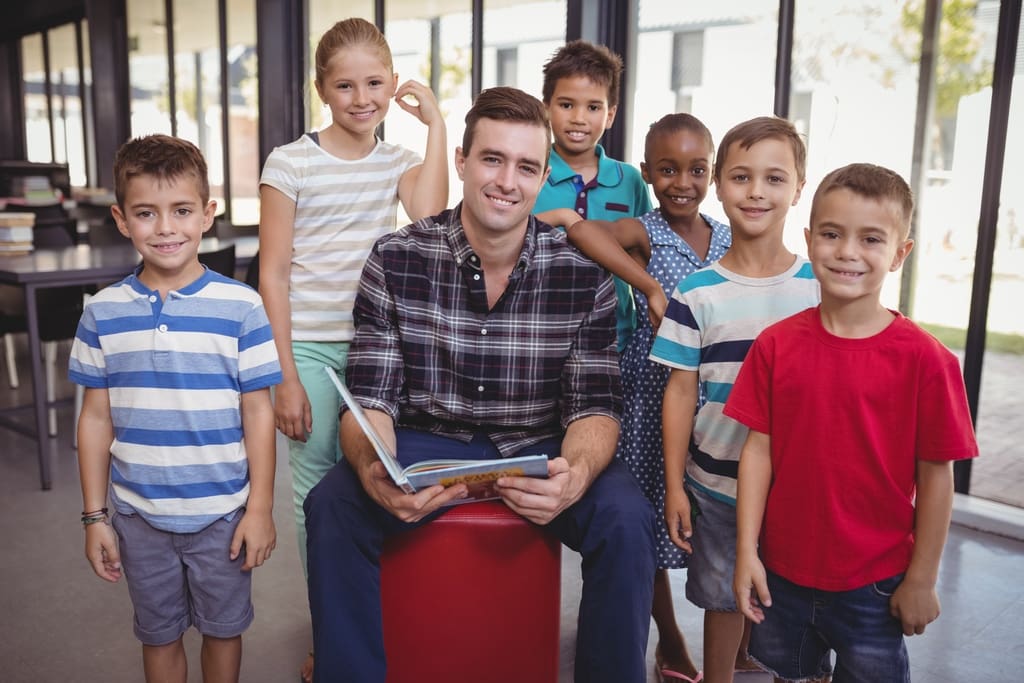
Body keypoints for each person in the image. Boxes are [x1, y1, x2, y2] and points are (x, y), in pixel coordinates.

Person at [303, 86, 657, 683]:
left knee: (625, 516)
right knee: (333, 505)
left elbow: (595, 408)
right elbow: (372, 398)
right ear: (462, 159)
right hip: (425, 443)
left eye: (525, 167)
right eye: (492, 159)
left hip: (539, 445)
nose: (506, 182)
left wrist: (573, 477)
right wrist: (372, 469)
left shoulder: (583, 275)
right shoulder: (395, 258)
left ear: (543, 176)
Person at [728, 163, 978, 682]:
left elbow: (936, 477)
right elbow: (757, 452)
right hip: (783, 575)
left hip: (878, 584)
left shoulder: (928, 361)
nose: (847, 252)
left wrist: (922, 580)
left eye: (870, 239)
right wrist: (746, 551)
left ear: (900, 253)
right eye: (832, 234)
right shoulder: (775, 346)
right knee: (788, 675)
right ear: (809, 238)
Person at [257, 17, 447, 679]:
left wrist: (437, 125)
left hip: (375, 348)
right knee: (317, 500)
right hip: (306, 349)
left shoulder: (398, 161)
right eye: (345, 85)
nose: (361, 97)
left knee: (375, 486)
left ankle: (376, 620)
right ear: (322, 89)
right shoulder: (289, 161)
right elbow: (273, 272)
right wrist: (283, 374)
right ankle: (332, 637)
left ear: (392, 84)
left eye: (374, 83)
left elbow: (429, 220)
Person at [70, 134, 282, 683]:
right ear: (122, 219)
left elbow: (258, 413)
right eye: (147, 213)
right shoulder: (102, 312)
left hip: (222, 514)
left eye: (182, 211)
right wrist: (95, 517)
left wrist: (259, 508)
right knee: (158, 635)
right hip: (139, 516)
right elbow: (95, 419)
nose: (165, 228)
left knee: (223, 631)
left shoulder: (242, 306)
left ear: (208, 214)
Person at [648, 116, 820, 683]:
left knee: (798, 606)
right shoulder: (695, 292)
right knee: (723, 600)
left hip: (800, 490)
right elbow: (679, 392)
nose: (756, 191)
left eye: (774, 178)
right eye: (742, 177)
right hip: (716, 485)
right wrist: (674, 485)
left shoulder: (821, 288)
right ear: (719, 184)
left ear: (798, 188)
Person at [562, 113, 730, 682]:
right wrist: (649, 285)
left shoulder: (730, 235)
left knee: (723, 518)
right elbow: (580, 232)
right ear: (647, 173)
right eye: (667, 169)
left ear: (714, 173)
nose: (682, 181)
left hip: (719, 402)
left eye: (696, 169)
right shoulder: (644, 232)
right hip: (650, 394)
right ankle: (671, 640)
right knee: (651, 517)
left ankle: (741, 638)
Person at [532, 39, 653, 352]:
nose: (579, 118)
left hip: (617, 337)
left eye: (593, 107)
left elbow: (646, 253)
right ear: (546, 107)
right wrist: (560, 218)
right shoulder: (529, 172)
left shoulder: (630, 181)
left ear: (610, 114)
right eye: (567, 104)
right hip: (541, 333)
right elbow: (508, 233)